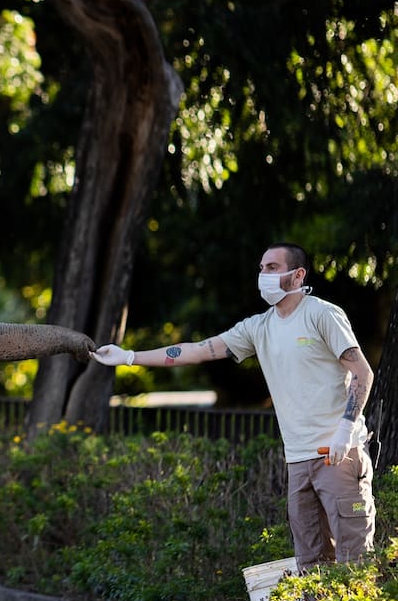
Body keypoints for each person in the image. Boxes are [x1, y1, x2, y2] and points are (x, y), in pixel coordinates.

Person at [91, 242, 375, 569]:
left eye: (272, 267)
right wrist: (128, 357)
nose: (263, 275)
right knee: (311, 566)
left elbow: (362, 373)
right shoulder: (258, 327)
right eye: (261, 268)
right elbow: (196, 351)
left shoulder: (322, 315)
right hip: (297, 461)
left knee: (355, 564)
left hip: (338, 455)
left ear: (297, 275)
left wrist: (345, 430)